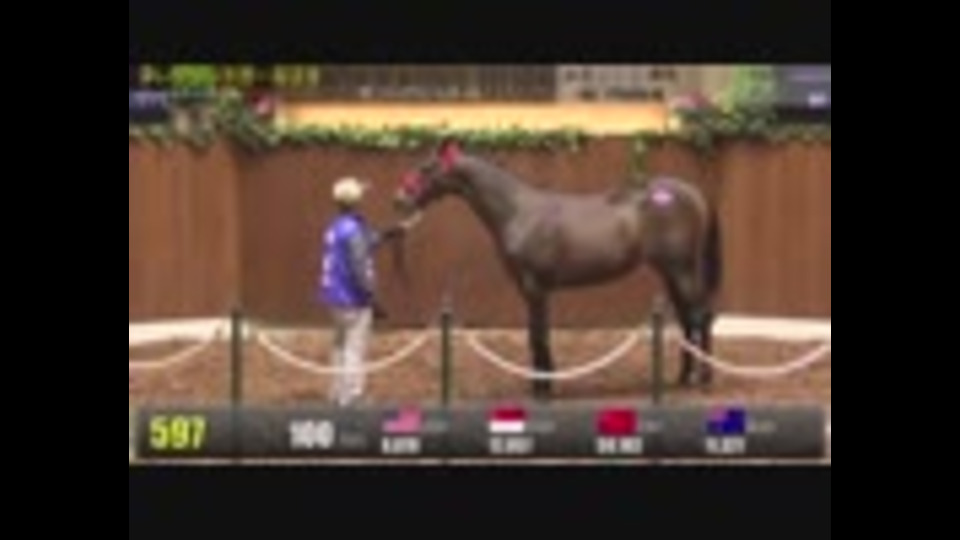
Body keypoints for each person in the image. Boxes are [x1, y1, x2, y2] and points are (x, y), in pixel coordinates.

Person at [319, 176, 407, 406]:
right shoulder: (353, 230)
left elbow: (364, 244)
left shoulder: (336, 227)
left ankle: (337, 392)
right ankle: (352, 395)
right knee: (354, 347)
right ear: (356, 201)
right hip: (353, 298)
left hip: (334, 297)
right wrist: (371, 298)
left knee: (339, 344)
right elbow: (358, 265)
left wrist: (387, 233)